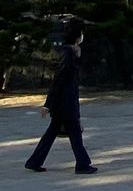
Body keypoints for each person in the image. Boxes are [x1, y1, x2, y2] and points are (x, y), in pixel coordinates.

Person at [24, 18, 98, 175]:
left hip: (65, 101)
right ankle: (82, 164)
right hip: (65, 102)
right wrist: (48, 104)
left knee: (52, 134)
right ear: (77, 37)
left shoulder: (71, 52)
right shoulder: (67, 54)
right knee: (75, 134)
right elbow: (58, 80)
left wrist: (78, 56)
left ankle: (34, 161)